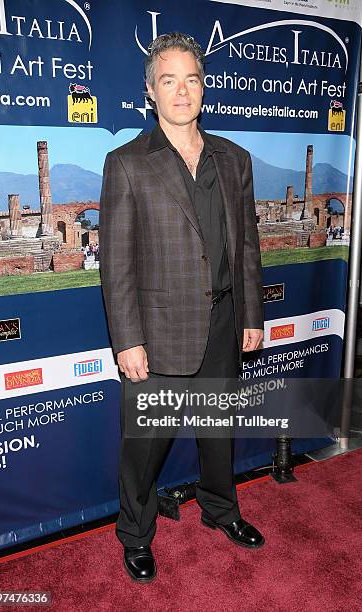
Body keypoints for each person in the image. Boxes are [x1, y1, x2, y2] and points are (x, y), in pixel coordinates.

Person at [99, 32, 264, 583]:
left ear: (203, 87)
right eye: (168, 80)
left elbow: (246, 244)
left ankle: (221, 510)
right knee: (145, 446)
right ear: (150, 92)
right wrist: (127, 340)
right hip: (158, 328)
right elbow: (116, 263)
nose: (181, 90)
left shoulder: (234, 159)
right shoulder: (126, 164)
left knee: (218, 430)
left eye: (190, 78)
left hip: (223, 319)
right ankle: (136, 534)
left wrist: (251, 316)